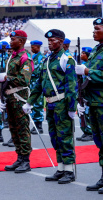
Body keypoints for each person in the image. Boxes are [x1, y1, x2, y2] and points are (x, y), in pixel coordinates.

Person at [25, 29, 77, 184]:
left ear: (61, 42)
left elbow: (72, 86)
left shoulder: (67, 59)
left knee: (65, 137)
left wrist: (71, 107)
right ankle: (61, 168)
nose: (50, 43)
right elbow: (40, 84)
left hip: (62, 103)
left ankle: (69, 171)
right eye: (48, 41)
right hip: (50, 104)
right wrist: (30, 102)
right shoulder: (47, 60)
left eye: (53, 40)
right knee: (55, 137)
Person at [75, 18, 103, 193]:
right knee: (100, 142)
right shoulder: (96, 50)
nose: (93, 32)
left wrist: (87, 71)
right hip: (94, 102)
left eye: (97, 28)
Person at [0, 30, 33, 173]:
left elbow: (24, 79)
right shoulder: (11, 57)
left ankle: (26, 160)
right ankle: (19, 157)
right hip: (10, 98)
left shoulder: (25, 58)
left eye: (13, 39)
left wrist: (7, 78)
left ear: (21, 41)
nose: (10, 41)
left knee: (22, 129)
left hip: (19, 98)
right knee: (13, 129)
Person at [76, 47, 93, 142]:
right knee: (81, 113)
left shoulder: (89, 66)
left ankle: (90, 132)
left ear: (87, 55)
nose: (81, 55)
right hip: (82, 93)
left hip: (89, 94)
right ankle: (85, 131)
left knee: (87, 113)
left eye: (83, 53)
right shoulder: (81, 65)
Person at [30, 40, 45, 134]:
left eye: (33, 47)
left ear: (38, 47)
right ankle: (35, 124)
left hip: (37, 84)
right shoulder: (33, 57)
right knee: (33, 104)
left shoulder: (41, 58)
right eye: (31, 47)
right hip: (32, 85)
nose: (32, 49)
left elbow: (39, 71)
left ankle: (39, 126)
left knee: (38, 105)